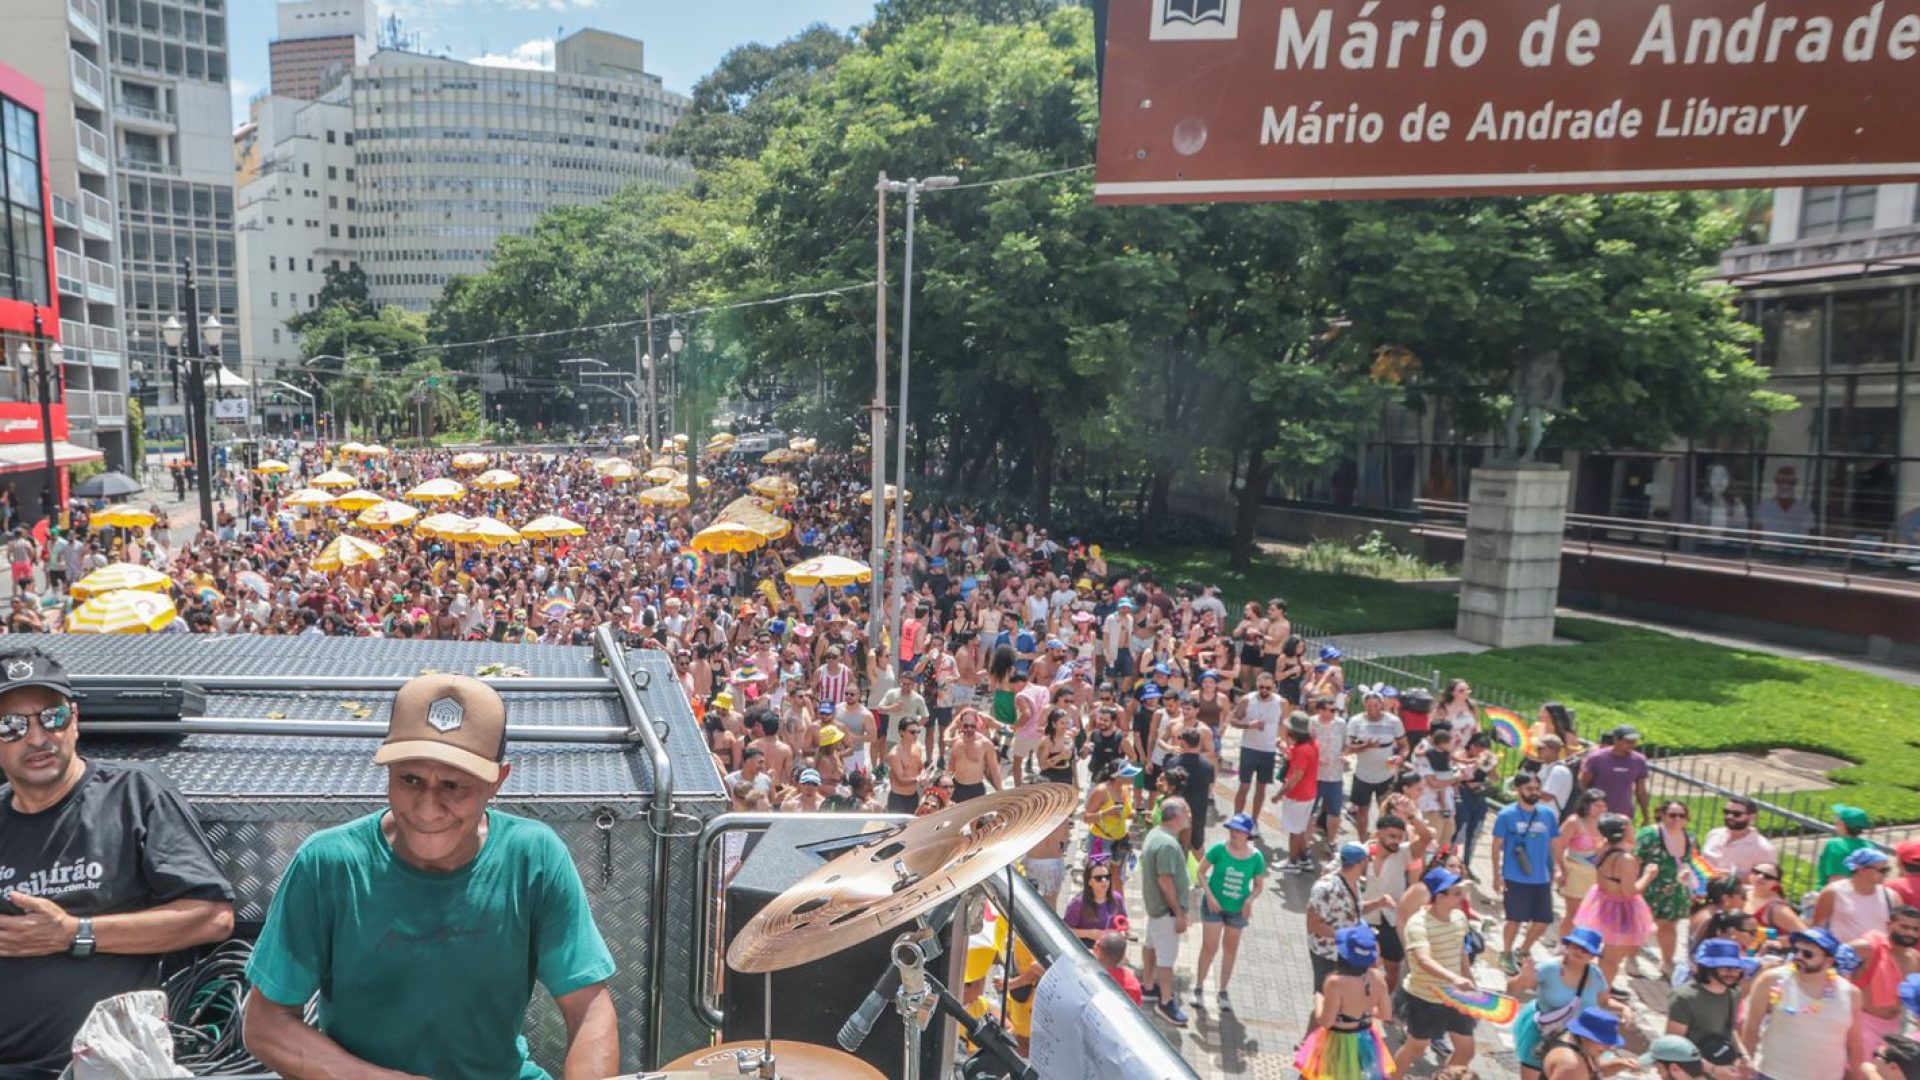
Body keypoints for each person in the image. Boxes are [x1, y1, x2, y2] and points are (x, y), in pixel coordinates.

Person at [243, 673, 620, 1079]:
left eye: (454, 786)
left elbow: (589, 1008)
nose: (427, 809)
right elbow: (266, 1023)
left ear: (497, 781)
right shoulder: (328, 863)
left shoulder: (534, 857)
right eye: (410, 779)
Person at [0, 646, 237, 1079]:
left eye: (50, 717)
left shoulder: (132, 794)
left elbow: (212, 918)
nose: (36, 738)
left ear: (74, 720)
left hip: (106, 1063)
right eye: (10, 726)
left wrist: (75, 934)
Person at [1741, 927, 1864, 1080]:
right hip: (1773, 1075)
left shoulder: (1851, 994)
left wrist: (1858, 1076)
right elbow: (1751, 1027)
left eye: (1808, 954)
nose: (1798, 956)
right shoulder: (1772, 980)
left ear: (1829, 961)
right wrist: (1745, 1069)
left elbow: (1855, 1044)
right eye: (1795, 950)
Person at [1393, 865, 1478, 1073]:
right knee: (1416, 1048)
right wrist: (1454, 978)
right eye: (1457, 893)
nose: (1462, 897)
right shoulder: (1418, 924)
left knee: (1466, 1050)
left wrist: (1469, 981)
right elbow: (1424, 960)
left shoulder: (1459, 918)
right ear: (1440, 896)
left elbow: (1461, 953)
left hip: (1455, 997)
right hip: (1424, 998)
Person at [1510, 927, 1613, 1080]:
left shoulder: (1596, 975)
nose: (1578, 952)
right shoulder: (1549, 968)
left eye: (1585, 950)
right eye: (1574, 946)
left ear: (1592, 956)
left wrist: (1625, 1009)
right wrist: (1523, 977)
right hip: (1543, 1032)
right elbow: (1512, 988)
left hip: (1576, 1036)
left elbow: (1604, 1001)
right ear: (1567, 946)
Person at [1294, 925, 1394, 1080]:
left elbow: (1326, 1021)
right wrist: (1362, 1012)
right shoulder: (1379, 978)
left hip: (1337, 1041)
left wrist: (1319, 1000)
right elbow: (1385, 1014)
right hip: (1365, 1040)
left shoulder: (1335, 982)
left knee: (1314, 1075)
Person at [1191, 813, 1265, 1012]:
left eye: (1239, 831)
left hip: (1237, 911)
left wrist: (1249, 900)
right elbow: (1200, 871)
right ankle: (1198, 987)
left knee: (1230, 949)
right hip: (1213, 907)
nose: (1234, 833)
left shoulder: (1256, 857)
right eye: (1232, 829)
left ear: (1248, 834)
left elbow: (1259, 885)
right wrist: (1210, 897)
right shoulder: (1219, 849)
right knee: (1209, 947)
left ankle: (1222, 991)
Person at [1493, 770, 1564, 977]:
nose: (1534, 792)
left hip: (1540, 876)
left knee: (1543, 920)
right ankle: (1505, 952)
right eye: (1529, 788)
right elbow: (1497, 845)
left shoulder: (1548, 815)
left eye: (1537, 788)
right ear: (1518, 790)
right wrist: (1497, 875)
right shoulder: (1506, 815)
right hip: (1515, 876)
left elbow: (1554, 844)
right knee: (1515, 919)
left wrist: (1561, 868)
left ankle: (1523, 950)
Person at [1574, 813, 1657, 986]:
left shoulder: (1601, 846)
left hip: (1602, 903)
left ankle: (1593, 985)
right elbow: (1630, 892)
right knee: (1612, 960)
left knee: (1603, 952)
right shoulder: (1625, 860)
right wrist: (1648, 876)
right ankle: (1601, 993)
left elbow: (1629, 844)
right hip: (1622, 911)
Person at [1668, 939, 1758, 1077]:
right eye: (1726, 968)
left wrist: (1743, 1055)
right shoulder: (1684, 997)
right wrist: (1713, 1070)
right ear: (1708, 968)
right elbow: (1674, 1046)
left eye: (1736, 968)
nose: (1732, 973)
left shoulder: (1733, 993)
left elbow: (1731, 1029)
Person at [1140, 796, 1192, 1026]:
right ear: (1177, 816)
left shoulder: (1155, 834)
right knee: (1166, 958)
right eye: (1187, 811)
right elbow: (1165, 881)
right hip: (1165, 912)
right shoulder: (1169, 845)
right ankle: (1166, 1000)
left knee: (1150, 946)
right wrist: (1179, 913)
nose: (1190, 815)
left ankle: (1148, 986)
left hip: (1154, 909)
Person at [1846, 903, 1920, 1062]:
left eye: (1915, 929)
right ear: (1889, 925)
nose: (1910, 933)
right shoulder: (1867, 948)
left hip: (1895, 1028)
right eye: (1904, 926)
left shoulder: (1916, 959)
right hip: (1862, 1024)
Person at [1639, 799, 1702, 979]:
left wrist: (1687, 876)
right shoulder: (1649, 834)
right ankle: (1630, 958)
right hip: (1650, 887)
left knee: (1669, 926)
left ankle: (1667, 962)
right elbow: (1636, 858)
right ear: (1662, 815)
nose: (1677, 819)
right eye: (1672, 815)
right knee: (1641, 926)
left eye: (1681, 816)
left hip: (1675, 889)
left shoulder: (1689, 837)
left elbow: (1688, 861)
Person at [1345, 688, 1406, 836]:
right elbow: (1348, 748)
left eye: (1376, 706)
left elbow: (1404, 745)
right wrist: (1366, 746)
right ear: (1364, 706)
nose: (1373, 710)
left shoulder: (1393, 721)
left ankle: (1383, 839)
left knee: (1386, 810)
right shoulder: (1356, 721)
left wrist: (1401, 758)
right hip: (1363, 774)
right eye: (1369, 706)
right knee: (1362, 810)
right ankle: (1362, 840)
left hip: (1385, 774)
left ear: (1382, 705)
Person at [1230, 671, 1283, 820]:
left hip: (1268, 750)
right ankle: (1237, 817)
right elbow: (1233, 720)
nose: (1264, 691)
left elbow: (1285, 724)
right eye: (1261, 687)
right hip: (1249, 748)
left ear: (1274, 686)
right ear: (1257, 686)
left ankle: (1254, 820)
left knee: (1261, 787)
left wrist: (1283, 742)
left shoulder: (1281, 703)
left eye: (1268, 687)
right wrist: (1248, 725)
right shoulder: (1247, 700)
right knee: (1244, 786)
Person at [1817, 848, 1898, 943]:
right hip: (1843, 955)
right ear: (1861, 869)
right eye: (1882, 870)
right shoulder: (1833, 892)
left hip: (1877, 956)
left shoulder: (1892, 896)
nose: (1886, 874)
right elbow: (1818, 927)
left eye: (1887, 869)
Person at [1273, 712, 1321, 872]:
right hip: (1309, 794)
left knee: (1294, 830)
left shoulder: (1302, 751)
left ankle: (1292, 862)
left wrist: (1279, 794)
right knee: (1299, 828)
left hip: (1298, 796)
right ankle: (1304, 859)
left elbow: (1295, 777)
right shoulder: (1311, 745)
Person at [1578, 725, 1650, 825]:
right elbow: (1583, 785)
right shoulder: (1597, 758)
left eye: (1634, 741)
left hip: (1623, 815)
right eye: (1628, 741)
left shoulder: (1638, 761)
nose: (1632, 744)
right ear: (1616, 740)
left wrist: (1645, 814)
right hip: (1596, 814)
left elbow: (1641, 790)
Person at [1702, 796, 1778, 882]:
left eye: (1736, 814)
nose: (1729, 816)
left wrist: (1730, 877)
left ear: (1752, 817)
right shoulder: (1713, 834)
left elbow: (1767, 879)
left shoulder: (1763, 848)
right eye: (1726, 812)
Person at [1538, 1007, 1627, 1079]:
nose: (1609, 1048)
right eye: (1604, 1041)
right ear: (1585, 1036)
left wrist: (1619, 1064)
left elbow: (1594, 1070)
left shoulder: (1581, 1047)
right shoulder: (1571, 1064)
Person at [1308, 695, 1349, 848]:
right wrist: (1315, 759)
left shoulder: (1340, 724)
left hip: (1335, 775)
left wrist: (1344, 755)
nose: (1333, 712)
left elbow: (1346, 744)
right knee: (1310, 810)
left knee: (1335, 811)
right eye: (1330, 710)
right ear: (1320, 710)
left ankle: (1332, 840)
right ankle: (1307, 840)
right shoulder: (1311, 723)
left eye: (1335, 710)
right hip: (1315, 775)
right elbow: (1306, 745)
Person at [1063, 855, 1126, 944]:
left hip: (1110, 947)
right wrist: (1089, 933)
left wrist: (1122, 933)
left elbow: (1123, 920)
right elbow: (1065, 930)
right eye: (1098, 878)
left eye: (1107, 877)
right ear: (1089, 881)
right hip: (1086, 948)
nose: (1104, 881)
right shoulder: (1078, 903)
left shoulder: (1117, 898)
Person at [1821, 804, 1877, 885]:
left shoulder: (1836, 845)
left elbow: (1836, 879)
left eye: (1836, 818)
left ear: (1842, 823)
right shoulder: (1869, 846)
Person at [1095, 931, 1143, 1006]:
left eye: (1097, 944)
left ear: (1097, 950)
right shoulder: (1131, 985)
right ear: (1123, 955)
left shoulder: (1090, 975)